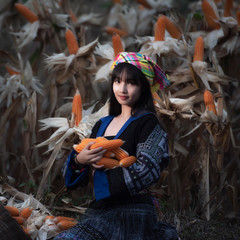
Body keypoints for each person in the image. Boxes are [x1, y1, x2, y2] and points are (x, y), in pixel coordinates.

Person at [54, 52, 178, 240]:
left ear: (144, 87)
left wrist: (100, 171)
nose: (123, 89)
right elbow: (72, 177)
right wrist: (80, 160)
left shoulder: (148, 123)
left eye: (131, 83)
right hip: (100, 210)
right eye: (118, 81)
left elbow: (147, 171)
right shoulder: (101, 124)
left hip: (133, 210)